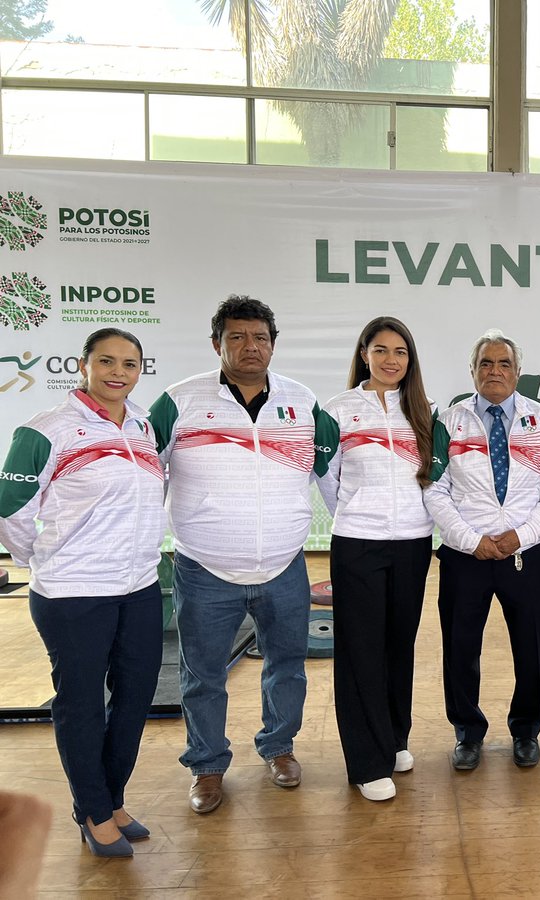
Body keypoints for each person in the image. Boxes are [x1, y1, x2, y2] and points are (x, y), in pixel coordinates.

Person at [149, 295, 337, 815]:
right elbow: (145, 473)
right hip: (204, 568)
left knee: (287, 667)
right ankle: (207, 765)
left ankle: (279, 747)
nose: (250, 346)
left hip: (284, 565)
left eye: (260, 338)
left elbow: (329, 474)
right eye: (237, 337)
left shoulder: (302, 402)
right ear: (217, 344)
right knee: (202, 673)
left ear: (273, 344)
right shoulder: (179, 401)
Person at [0, 328, 167, 857]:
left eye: (130, 363)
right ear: (84, 365)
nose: (118, 372)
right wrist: (38, 558)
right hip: (74, 592)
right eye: (107, 361)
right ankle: (94, 812)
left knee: (136, 696)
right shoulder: (48, 428)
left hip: (139, 584)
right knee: (82, 705)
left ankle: (111, 798)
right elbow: (10, 506)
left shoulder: (141, 424)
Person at [425, 329, 540, 771]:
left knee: (533, 647)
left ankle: (526, 730)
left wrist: (521, 536)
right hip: (466, 557)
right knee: (461, 648)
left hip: (527, 553)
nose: (495, 371)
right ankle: (467, 732)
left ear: (518, 373)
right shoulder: (449, 421)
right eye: (486, 363)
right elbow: (434, 488)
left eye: (504, 364)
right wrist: (472, 540)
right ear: (473, 371)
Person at [317, 317, 436, 801]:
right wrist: (357, 513)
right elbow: (329, 481)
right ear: (364, 353)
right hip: (359, 542)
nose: (391, 360)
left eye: (401, 352)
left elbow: (432, 477)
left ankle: (394, 737)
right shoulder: (339, 410)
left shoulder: (423, 411)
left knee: (398, 645)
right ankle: (366, 763)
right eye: (381, 350)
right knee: (360, 651)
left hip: (413, 541)